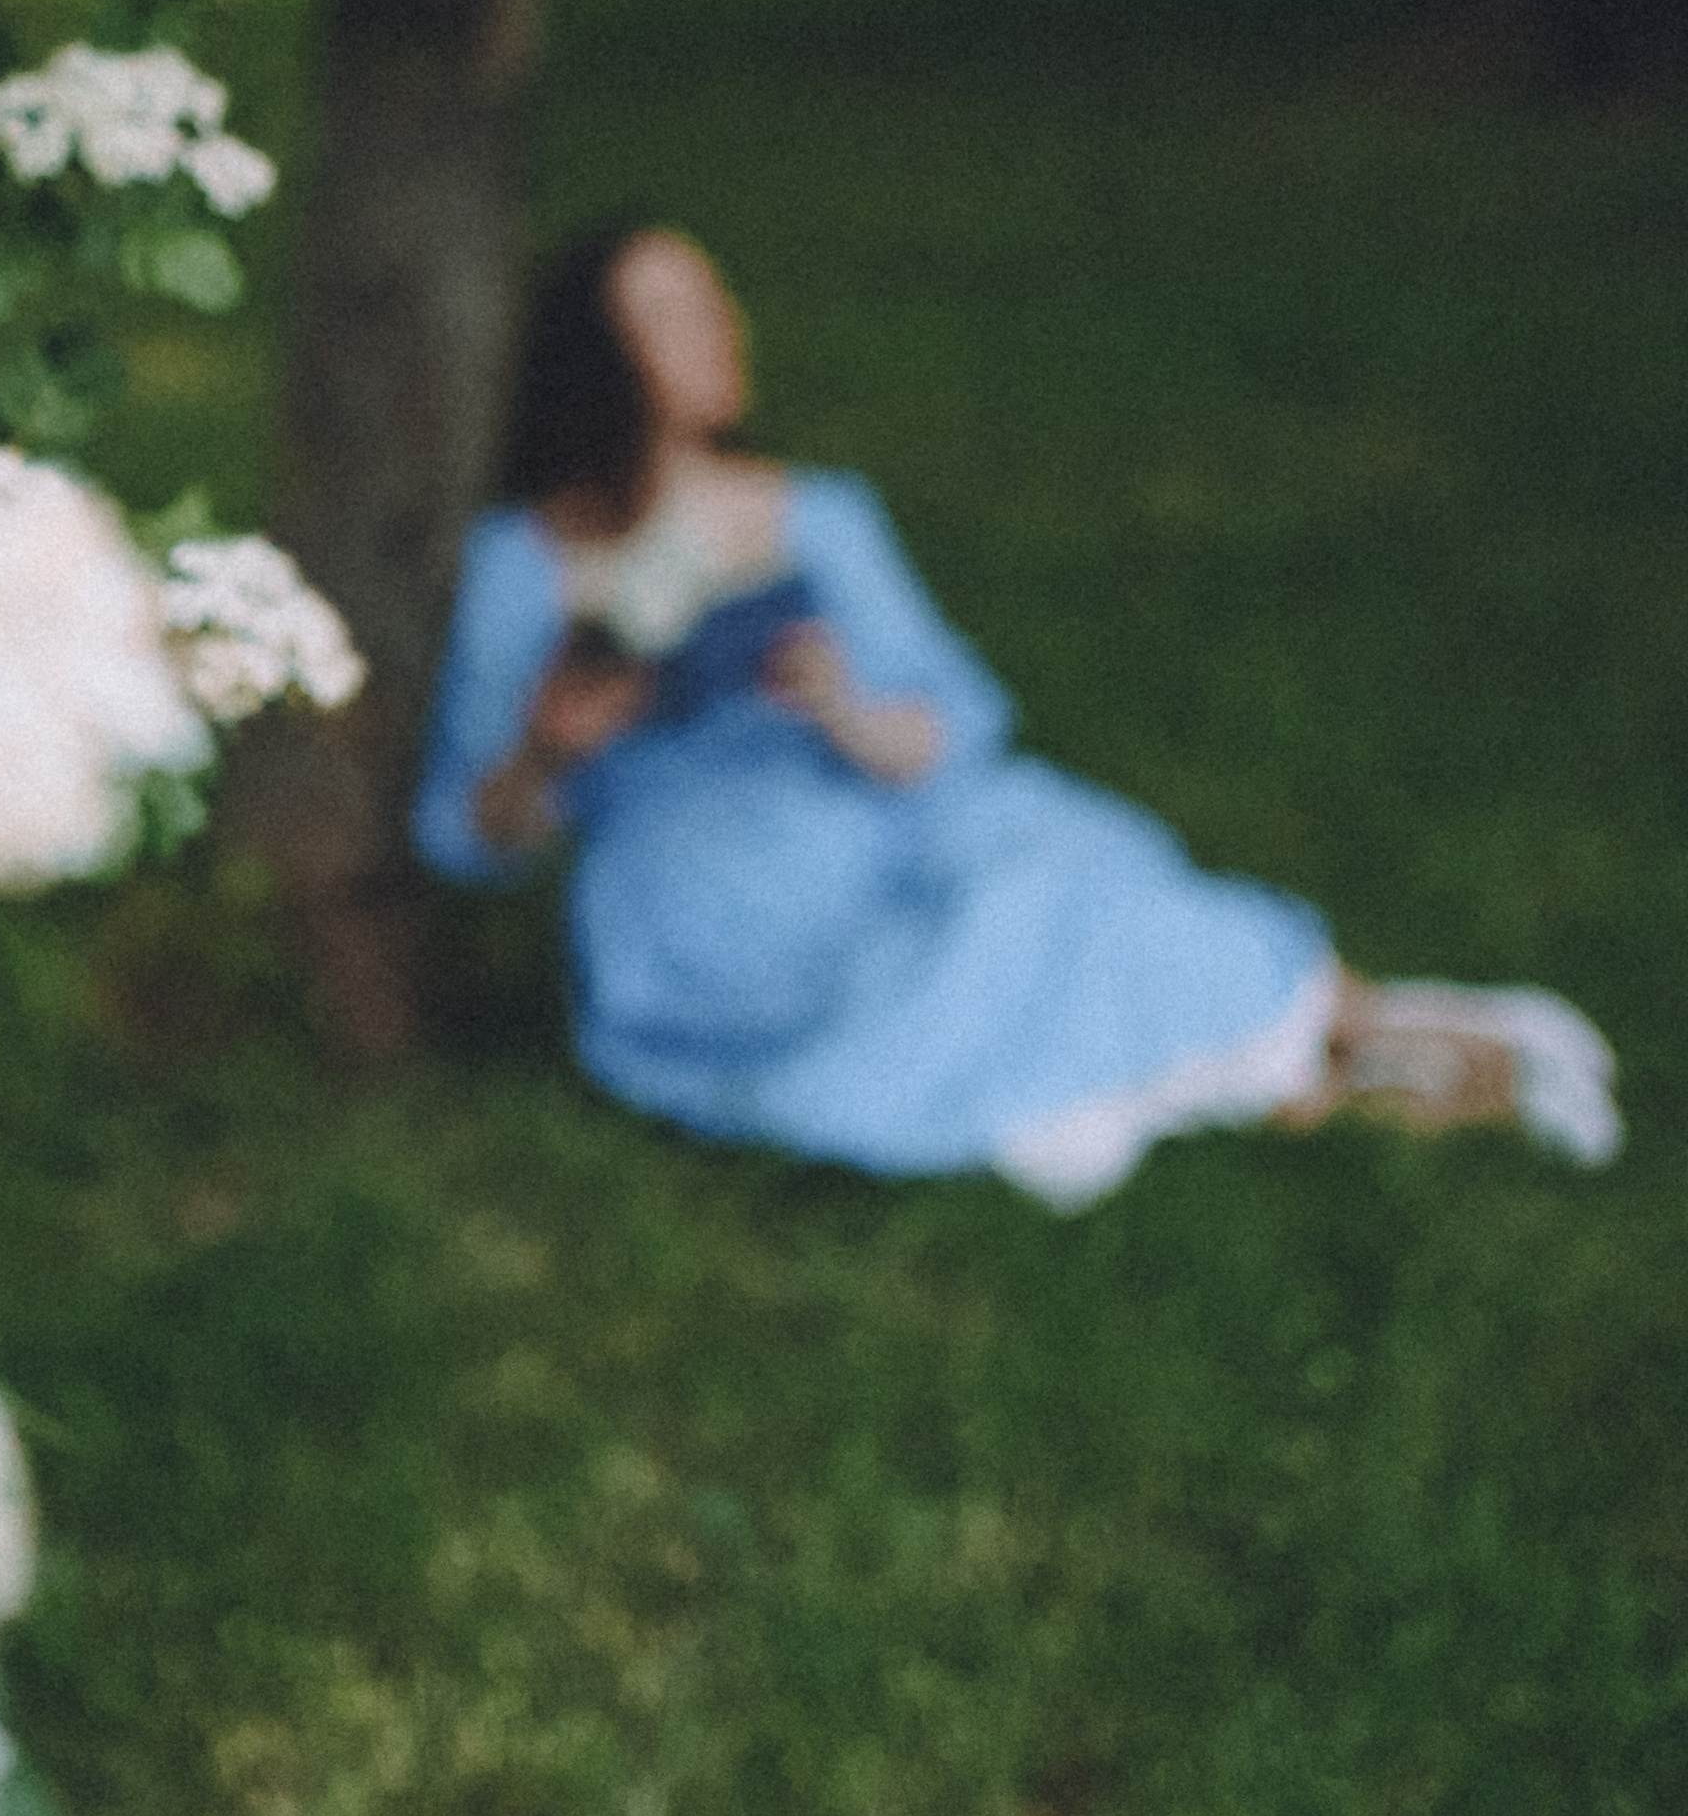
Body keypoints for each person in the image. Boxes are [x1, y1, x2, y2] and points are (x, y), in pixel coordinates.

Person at [414, 224, 1619, 1206]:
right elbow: (466, 836)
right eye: (673, 315)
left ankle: (1374, 1032)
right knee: (928, 1000)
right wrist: (546, 749)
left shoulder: (817, 518)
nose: (721, 329)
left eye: (715, 298)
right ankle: (1327, 1075)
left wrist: (846, 710)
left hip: (880, 812)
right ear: (600, 359)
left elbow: (952, 721)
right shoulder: (518, 568)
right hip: (706, 896)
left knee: (1065, 890)